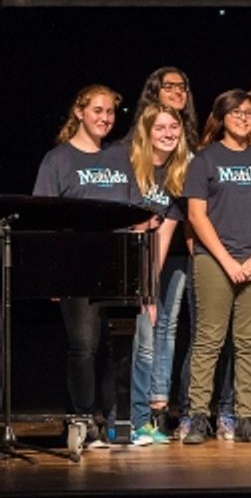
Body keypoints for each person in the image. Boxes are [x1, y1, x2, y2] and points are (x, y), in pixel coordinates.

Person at [34, 85, 148, 449]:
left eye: (110, 112)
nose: (104, 118)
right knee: (84, 346)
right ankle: (82, 419)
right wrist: (51, 272)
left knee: (118, 346)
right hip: (75, 266)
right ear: (80, 112)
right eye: (97, 110)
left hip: (116, 265)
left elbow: (132, 211)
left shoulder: (119, 157)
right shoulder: (58, 160)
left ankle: (115, 421)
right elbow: (43, 219)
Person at [182, 90, 251, 444]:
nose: (244, 117)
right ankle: (197, 416)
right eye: (237, 112)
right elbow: (196, 215)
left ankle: (244, 417)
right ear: (222, 115)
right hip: (215, 260)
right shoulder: (204, 160)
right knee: (209, 339)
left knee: (249, 340)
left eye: (249, 112)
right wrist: (226, 260)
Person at [128, 104, 189, 446]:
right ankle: (123, 420)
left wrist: (149, 287)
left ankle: (140, 421)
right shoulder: (129, 165)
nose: (168, 133)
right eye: (160, 127)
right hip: (117, 262)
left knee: (148, 343)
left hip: (145, 265)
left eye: (174, 127)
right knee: (131, 347)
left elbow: (162, 237)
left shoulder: (176, 175)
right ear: (147, 131)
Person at [130, 67, 201, 148]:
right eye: (168, 87)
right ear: (154, 93)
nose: (178, 91)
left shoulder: (188, 131)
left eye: (182, 87)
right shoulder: (136, 138)